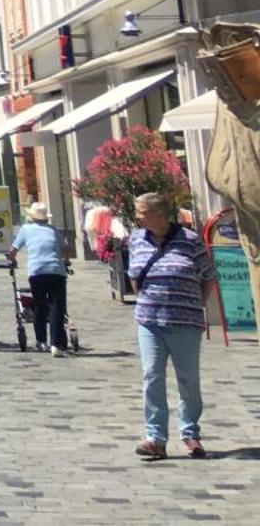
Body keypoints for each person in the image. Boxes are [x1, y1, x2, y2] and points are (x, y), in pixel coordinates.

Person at [127, 191, 216, 459]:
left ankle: (190, 432)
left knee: (188, 380)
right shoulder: (136, 240)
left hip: (185, 322)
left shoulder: (189, 240)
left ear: (158, 213)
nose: (137, 216)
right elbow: (134, 277)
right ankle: (155, 438)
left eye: (141, 212)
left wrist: (196, 304)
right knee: (152, 375)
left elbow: (209, 276)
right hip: (149, 321)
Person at [11, 202, 72, 357]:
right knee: (57, 308)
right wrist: (66, 261)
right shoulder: (54, 230)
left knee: (40, 305)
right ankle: (56, 345)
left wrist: (11, 260)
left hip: (37, 271)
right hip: (56, 271)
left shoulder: (25, 229)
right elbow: (66, 249)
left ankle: (41, 341)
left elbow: (13, 250)